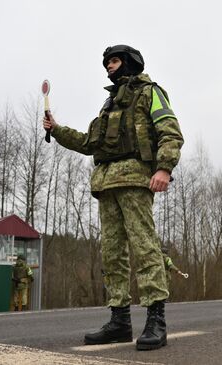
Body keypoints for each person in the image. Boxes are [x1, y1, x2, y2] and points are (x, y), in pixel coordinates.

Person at [43, 44, 184, 351]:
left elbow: (170, 131)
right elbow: (88, 142)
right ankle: (119, 320)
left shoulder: (150, 92)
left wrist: (164, 167)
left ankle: (155, 319)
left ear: (129, 62)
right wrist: (56, 129)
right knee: (112, 253)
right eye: (107, 62)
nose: (109, 66)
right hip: (106, 184)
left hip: (135, 179)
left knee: (145, 248)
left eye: (115, 61)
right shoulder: (109, 105)